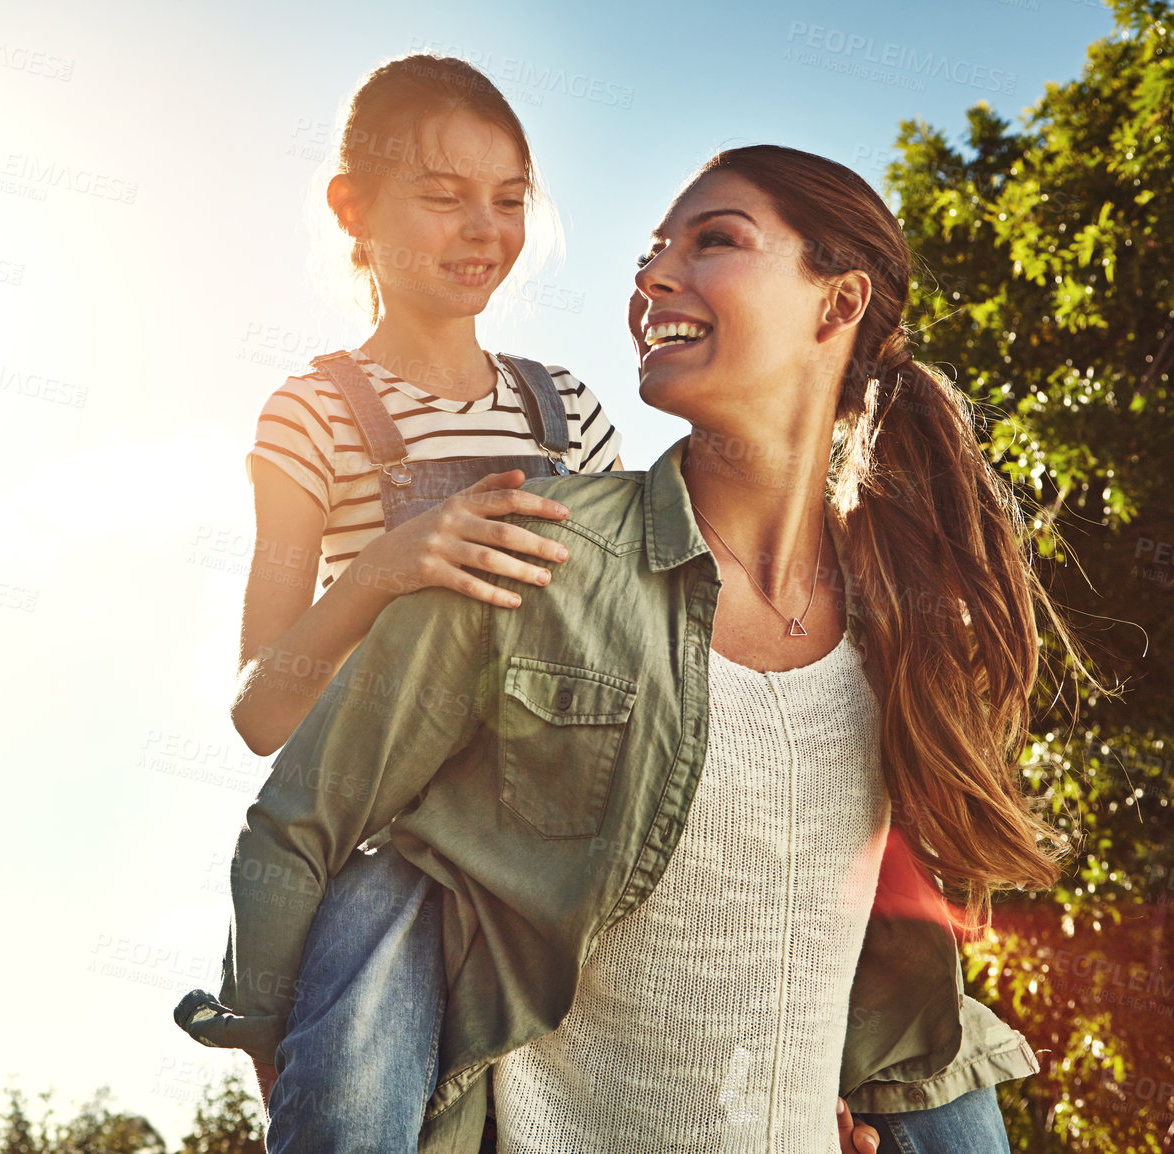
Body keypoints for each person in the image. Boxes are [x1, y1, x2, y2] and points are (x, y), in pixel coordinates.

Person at [180, 145, 1068, 1153]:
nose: (650, 278)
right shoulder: (527, 546)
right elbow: (300, 819)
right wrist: (289, 1045)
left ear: (839, 303)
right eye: (650, 253)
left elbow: (869, 980)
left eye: (713, 241)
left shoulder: (901, 626)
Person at [215, 51, 620, 1148]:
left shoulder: (567, 414)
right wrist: (388, 566)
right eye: (442, 197)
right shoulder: (313, 413)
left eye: (507, 199)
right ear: (354, 209)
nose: (482, 230)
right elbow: (262, 709)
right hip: (387, 845)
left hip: (555, 849)